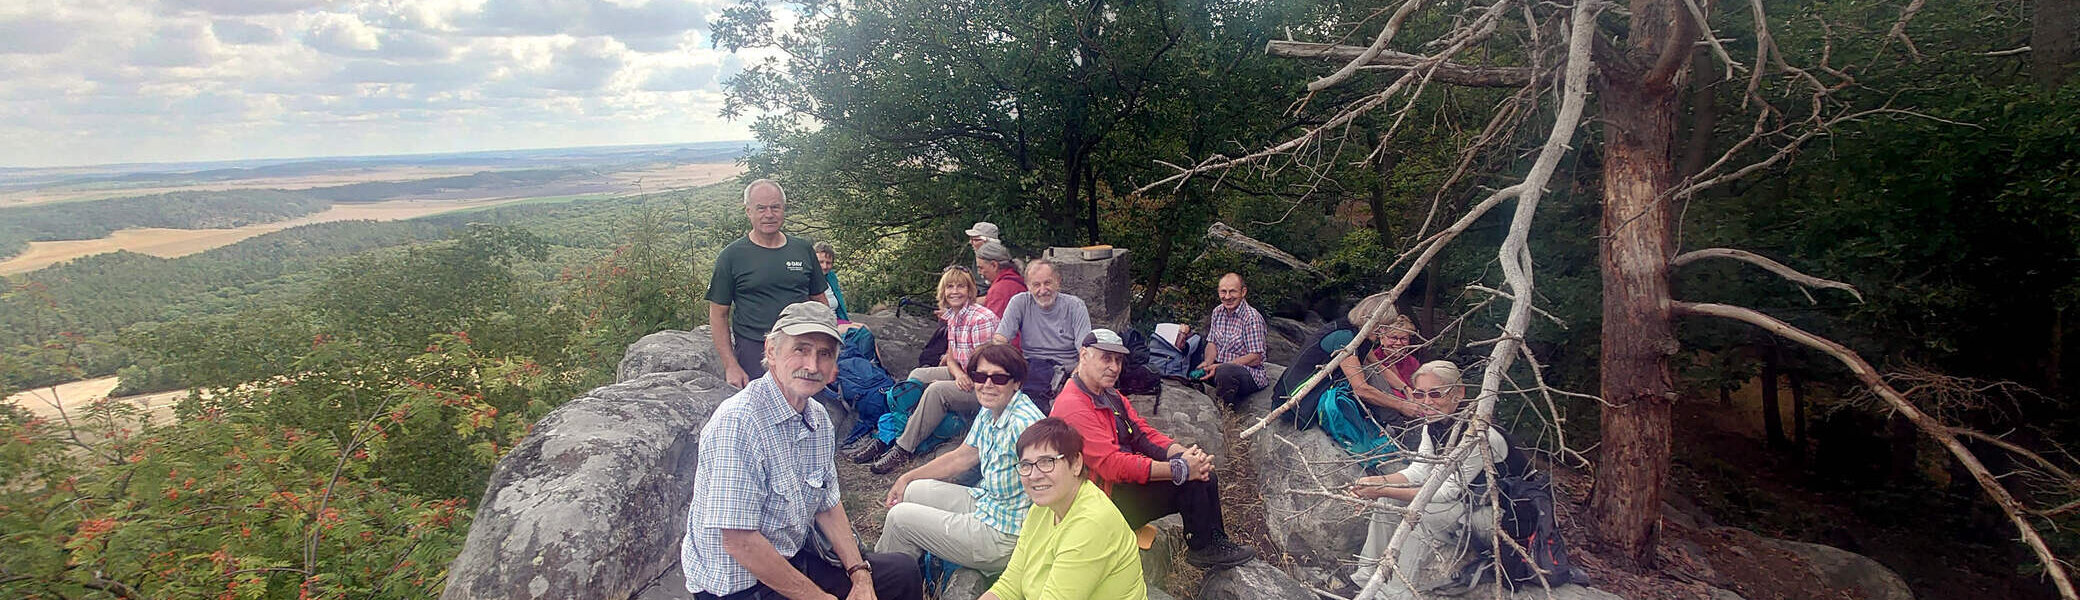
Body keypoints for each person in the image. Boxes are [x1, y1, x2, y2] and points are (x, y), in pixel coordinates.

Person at [680, 301, 921, 600]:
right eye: (801, 349)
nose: (812, 365)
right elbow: (739, 541)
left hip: (789, 558)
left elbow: (828, 505)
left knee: (901, 572)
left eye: (824, 354)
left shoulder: (817, 418)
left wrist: (860, 574)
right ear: (771, 351)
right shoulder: (739, 423)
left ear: (834, 367)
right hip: (738, 585)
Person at [1050, 329, 1257, 569]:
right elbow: (1111, 466)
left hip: (1112, 489)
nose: (1114, 367)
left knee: (1203, 473)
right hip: (1096, 504)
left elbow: (1141, 434)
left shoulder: (1108, 394)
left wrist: (1182, 454)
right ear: (1084, 355)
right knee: (1192, 480)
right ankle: (1203, 548)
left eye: (1118, 360)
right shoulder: (1073, 405)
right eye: (1106, 358)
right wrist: (1178, 469)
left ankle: (1213, 541)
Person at [875, 344, 1047, 573]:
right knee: (912, 490)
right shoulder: (992, 410)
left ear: (1016, 383)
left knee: (898, 519)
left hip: (1002, 535)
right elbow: (961, 458)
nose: (987, 384)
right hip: (987, 504)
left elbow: (1049, 490)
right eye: (979, 375)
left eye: (998, 378)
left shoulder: (1024, 426)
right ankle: (908, 571)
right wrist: (906, 477)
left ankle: (881, 582)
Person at [1346, 360, 1511, 597]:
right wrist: (1377, 483)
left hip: (1499, 515)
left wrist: (1384, 489)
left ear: (1459, 393)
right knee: (1387, 503)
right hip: (1468, 502)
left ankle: (1392, 594)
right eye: (1419, 394)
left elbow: (1446, 492)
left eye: (1435, 394)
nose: (1426, 402)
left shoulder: (1479, 433)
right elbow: (1420, 471)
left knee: (1423, 514)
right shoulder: (1433, 424)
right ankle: (1365, 579)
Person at [852, 268, 1001, 473]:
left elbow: (987, 369)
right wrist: (958, 375)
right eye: (950, 286)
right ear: (943, 291)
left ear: (970, 290)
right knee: (917, 376)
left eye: (961, 286)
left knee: (936, 390)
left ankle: (903, 449)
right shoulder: (955, 316)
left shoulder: (981, 319)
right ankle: (889, 434)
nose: (955, 291)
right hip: (965, 374)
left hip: (985, 385)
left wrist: (962, 378)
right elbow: (951, 357)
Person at [978, 417, 1145, 600]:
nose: (1034, 475)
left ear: (1076, 464)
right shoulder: (1042, 508)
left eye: (1047, 462)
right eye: (1026, 465)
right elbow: (1009, 585)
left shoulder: (1091, 523)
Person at [708, 179, 829, 388]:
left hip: (802, 345)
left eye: (775, 207)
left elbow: (819, 301)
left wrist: (828, 351)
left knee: (807, 410)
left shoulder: (802, 249)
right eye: (761, 208)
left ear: (783, 209)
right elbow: (718, 314)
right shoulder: (731, 256)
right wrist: (731, 365)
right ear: (748, 212)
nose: (769, 214)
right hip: (754, 349)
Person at [1275, 293, 1429, 430]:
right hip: (1297, 401)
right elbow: (1361, 389)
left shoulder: (1360, 334)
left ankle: (1397, 423)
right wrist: (1401, 405)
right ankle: (1399, 426)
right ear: (1371, 320)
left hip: (1312, 390)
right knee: (1367, 375)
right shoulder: (1344, 337)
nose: (1383, 331)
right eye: (1382, 326)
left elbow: (1379, 367)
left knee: (1371, 371)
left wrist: (1405, 388)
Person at [991, 260, 1089, 406]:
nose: (1042, 290)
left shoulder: (1075, 306)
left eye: (1047, 283)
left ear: (1058, 282)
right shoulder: (1020, 302)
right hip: (1031, 368)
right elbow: (1000, 339)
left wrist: (1073, 381)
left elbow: (1085, 351)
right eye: (1036, 285)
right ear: (1028, 286)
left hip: (1066, 368)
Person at [1195, 273, 1269, 408]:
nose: (1227, 297)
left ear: (1243, 292)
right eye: (1223, 292)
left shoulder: (1252, 318)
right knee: (1192, 360)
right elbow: (1212, 343)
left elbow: (1256, 357)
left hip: (1247, 373)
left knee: (1225, 372)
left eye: (1232, 291)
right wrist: (1207, 362)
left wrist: (1220, 367)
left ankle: (1224, 411)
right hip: (1218, 367)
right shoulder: (1218, 312)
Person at [974, 241, 1026, 318]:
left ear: (994, 265)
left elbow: (995, 325)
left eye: (981, 268)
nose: (979, 272)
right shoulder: (1014, 281)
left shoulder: (1000, 290)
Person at [814, 241, 849, 321]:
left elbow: (840, 307)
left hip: (835, 319)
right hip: (819, 323)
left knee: (861, 328)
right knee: (861, 331)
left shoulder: (831, 277)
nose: (825, 266)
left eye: (828, 263)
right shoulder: (806, 280)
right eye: (821, 262)